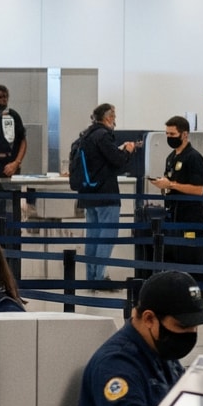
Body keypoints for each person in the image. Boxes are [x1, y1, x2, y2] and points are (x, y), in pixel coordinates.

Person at [70, 270, 203, 406]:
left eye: (195, 326)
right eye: (182, 326)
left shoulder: (163, 354)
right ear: (149, 319)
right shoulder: (116, 362)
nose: (190, 334)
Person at [72, 102, 143, 282]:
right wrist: (128, 151)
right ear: (108, 117)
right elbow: (117, 161)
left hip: (88, 193)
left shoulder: (86, 135)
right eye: (114, 117)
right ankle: (101, 276)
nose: (115, 121)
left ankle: (91, 277)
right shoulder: (103, 135)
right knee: (107, 235)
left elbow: (101, 159)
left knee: (93, 236)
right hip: (105, 193)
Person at [149, 115, 203, 278]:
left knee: (193, 256)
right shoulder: (171, 158)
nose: (169, 138)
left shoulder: (194, 158)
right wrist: (163, 185)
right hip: (173, 215)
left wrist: (171, 185)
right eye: (167, 134)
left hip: (191, 217)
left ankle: (199, 294)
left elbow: (198, 189)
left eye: (172, 135)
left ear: (184, 134)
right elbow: (170, 182)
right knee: (175, 256)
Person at [0, 84, 28, 180]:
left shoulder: (12, 115)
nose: (4, 100)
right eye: (0, 97)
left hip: (10, 162)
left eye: (5, 97)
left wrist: (16, 162)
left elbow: (23, 141)